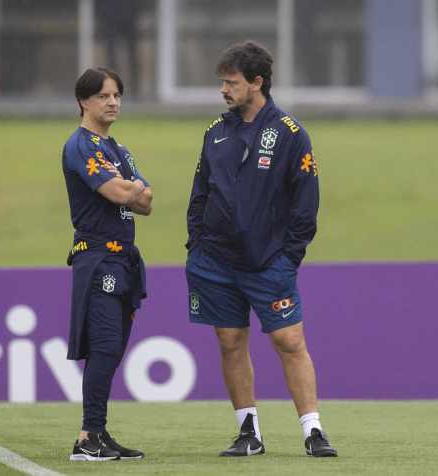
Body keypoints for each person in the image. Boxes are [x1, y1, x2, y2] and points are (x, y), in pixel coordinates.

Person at [185, 41, 337, 458]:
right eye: (222, 82)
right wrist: (196, 244)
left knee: (290, 341)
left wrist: (288, 256)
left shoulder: (290, 134)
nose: (223, 90)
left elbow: (307, 204)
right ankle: (248, 430)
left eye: (231, 82)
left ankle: (313, 430)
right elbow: (199, 194)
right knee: (229, 340)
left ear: (257, 83)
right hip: (214, 261)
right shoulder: (214, 133)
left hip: (269, 263)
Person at [62, 67, 152, 462]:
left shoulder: (120, 150)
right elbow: (119, 192)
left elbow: (146, 203)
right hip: (98, 257)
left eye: (117, 95)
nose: (112, 102)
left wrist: (129, 189)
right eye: (103, 96)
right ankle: (86, 438)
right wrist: (128, 188)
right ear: (84, 101)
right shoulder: (81, 146)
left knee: (113, 350)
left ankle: (98, 431)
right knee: (103, 346)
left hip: (124, 259)